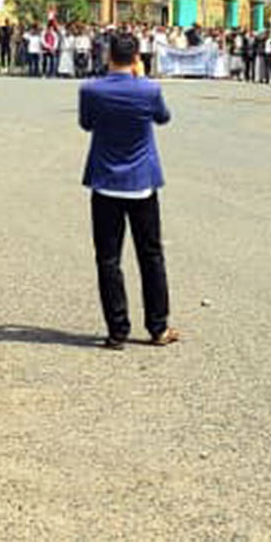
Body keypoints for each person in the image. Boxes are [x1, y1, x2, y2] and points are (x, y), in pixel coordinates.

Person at [78, 31, 179, 351]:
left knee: (108, 259)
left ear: (108, 56)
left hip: (106, 181)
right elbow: (163, 118)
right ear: (137, 57)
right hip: (141, 181)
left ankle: (117, 330)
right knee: (151, 256)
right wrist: (142, 78)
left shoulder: (91, 90)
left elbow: (87, 124)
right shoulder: (149, 89)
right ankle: (158, 327)